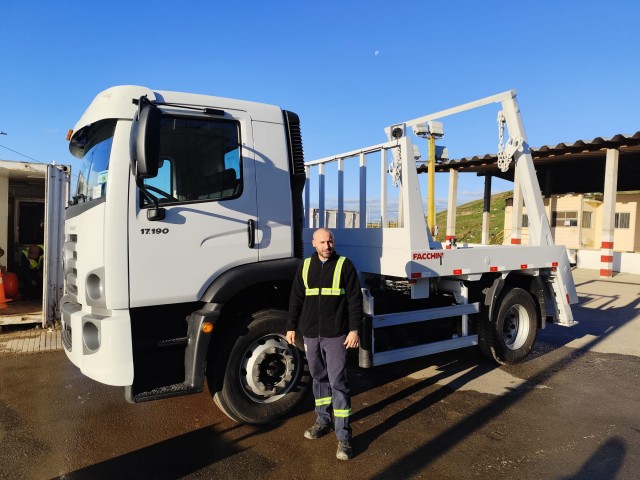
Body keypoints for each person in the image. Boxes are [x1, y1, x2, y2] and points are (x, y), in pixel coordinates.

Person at [287, 228, 362, 461]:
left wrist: (354, 330)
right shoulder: (305, 266)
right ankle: (323, 421)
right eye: (322, 242)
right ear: (314, 243)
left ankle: (344, 436)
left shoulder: (344, 265)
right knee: (319, 378)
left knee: (338, 382)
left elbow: (354, 300)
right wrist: (291, 326)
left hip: (336, 335)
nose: (327, 245)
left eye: (330, 241)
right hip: (311, 334)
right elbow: (296, 298)